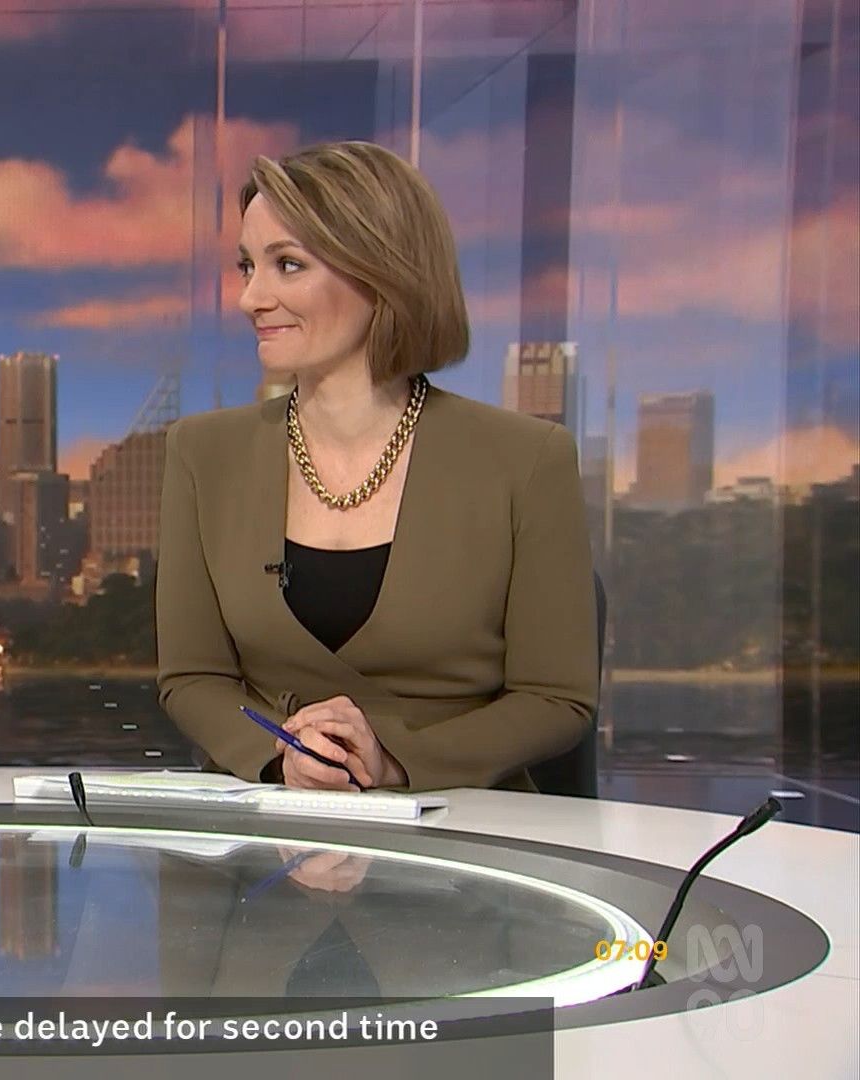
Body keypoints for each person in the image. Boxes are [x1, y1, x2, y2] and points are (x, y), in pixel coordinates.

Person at [155, 140, 597, 793]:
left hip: (456, 823)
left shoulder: (527, 460)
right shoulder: (201, 453)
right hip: (266, 820)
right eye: (248, 266)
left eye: (287, 265)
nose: (251, 298)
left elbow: (556, 699)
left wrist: (393, 761)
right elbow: (191, 678)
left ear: (381, 271)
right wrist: (283, 757)